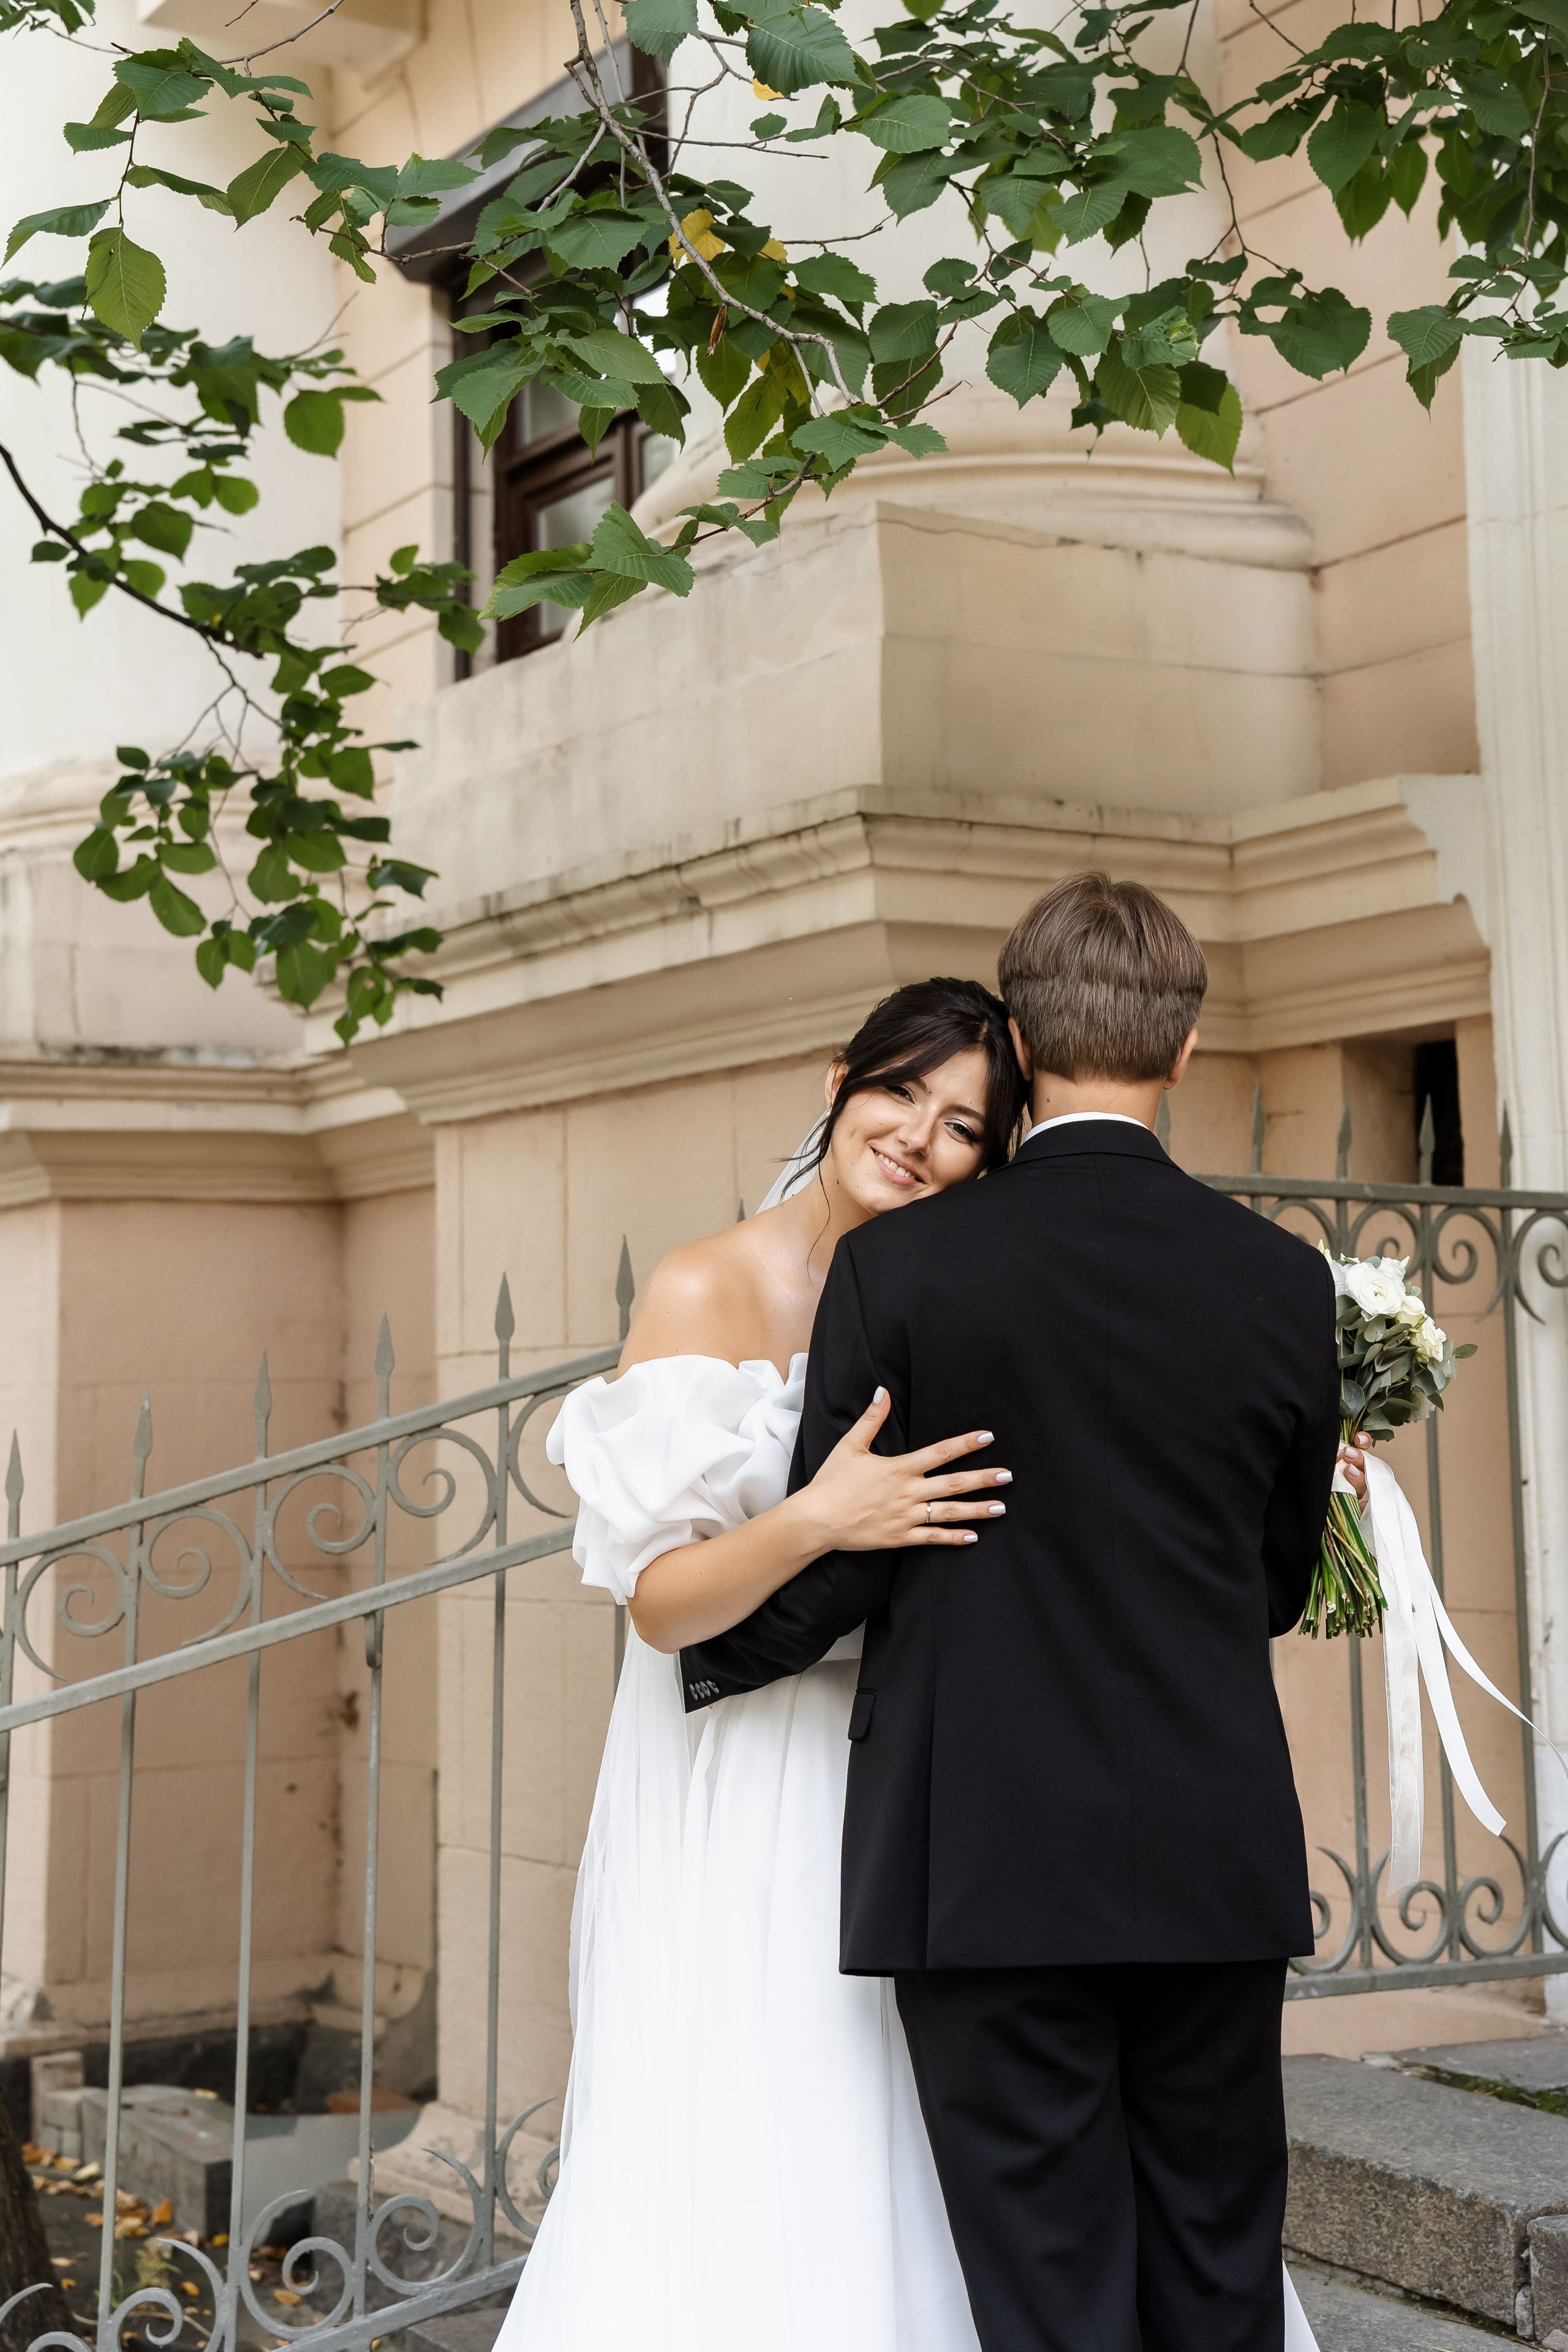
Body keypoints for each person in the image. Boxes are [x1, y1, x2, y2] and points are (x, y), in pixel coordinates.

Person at [681, 872, 1345, 2352]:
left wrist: (700, 1646)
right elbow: (1277, 1581)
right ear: (1184, 1053)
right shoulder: (1282, 1282)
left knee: (1047, 2294)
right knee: (1219, 2265)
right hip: (1209, 1850)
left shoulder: (903, 1264)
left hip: (982, 1856)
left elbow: (851, 1538)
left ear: (1021, 1051)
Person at [496, 978, 1027, 2352]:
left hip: (904, 1750)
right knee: (767, 2091)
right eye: (900, 1090)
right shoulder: (704, 1285)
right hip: (743, 1758)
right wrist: (816, 1518)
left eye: (963, 1125)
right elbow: (659, 1606)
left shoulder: (960, 1300)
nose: (917, 1135)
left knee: (901, 2111)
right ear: (839, 1077)